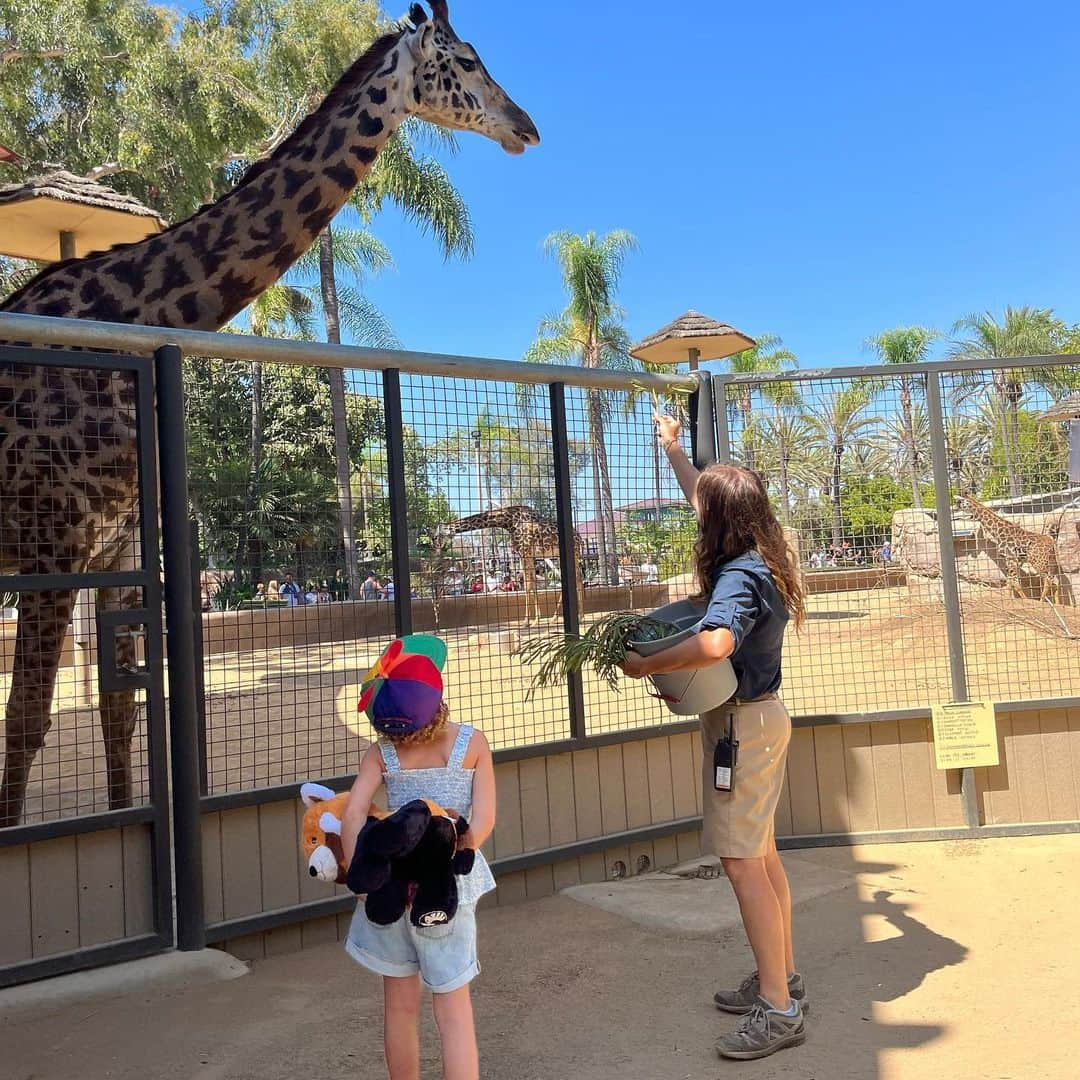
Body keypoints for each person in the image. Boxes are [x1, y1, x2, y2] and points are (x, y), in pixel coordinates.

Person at [623, 414, 808, 1062]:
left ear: (719, 522)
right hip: (761, 719)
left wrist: (649, 663)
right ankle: (778, 977)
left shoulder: (737, 577)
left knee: (740, 863)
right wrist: (673, 447)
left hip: (744, 729)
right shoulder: (760, 553)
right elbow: (704, 490)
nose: (694, 510)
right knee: (763, 856)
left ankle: (780, 1010)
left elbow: (717, 641)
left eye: (702, 509)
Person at [341, 635, 496, 1080]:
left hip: (388, 886)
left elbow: (354, 813)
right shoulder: (472, 744)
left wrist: (360, 876)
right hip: (445, 893)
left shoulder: (382, 752)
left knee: (399, 1005)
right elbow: (483, 822)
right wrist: (456, 854)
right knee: (453, 1009)